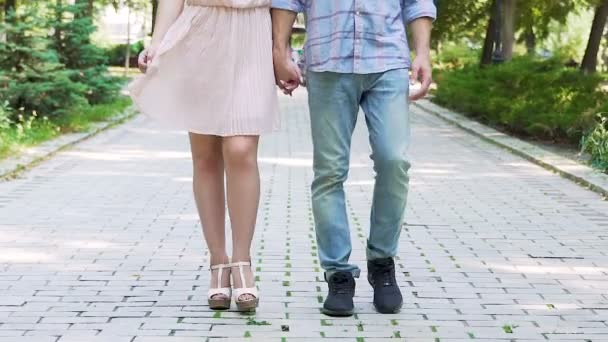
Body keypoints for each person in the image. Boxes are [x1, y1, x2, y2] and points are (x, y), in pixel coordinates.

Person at [271, 0, 436, 316]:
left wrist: (423, 53)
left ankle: (382, 262)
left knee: (395, 161)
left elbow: (417, 3)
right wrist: (281, 52)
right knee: (330, 171)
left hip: (387, 60)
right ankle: (338, 274)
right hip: (328, 61)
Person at [129, 0, 288, 312]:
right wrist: (157, 40)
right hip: (201, 28)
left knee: (240, 149)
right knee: (205, 156)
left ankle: (242, 260)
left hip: (253, 29)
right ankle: (218, 259)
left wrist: (281, 49)